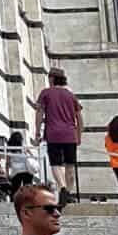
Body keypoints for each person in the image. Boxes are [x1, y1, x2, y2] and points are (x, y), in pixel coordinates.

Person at [35, 68, 83, 206]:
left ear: (51, 78)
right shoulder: (70, 95)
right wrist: (78, 135)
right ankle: (68, 191)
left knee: (55, 164)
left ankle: (62, 187)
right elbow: (79, 118)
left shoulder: (45, 93)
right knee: (70, 166)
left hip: (53, 134)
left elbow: (39, 113)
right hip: (70, 135)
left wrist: (37, 132)